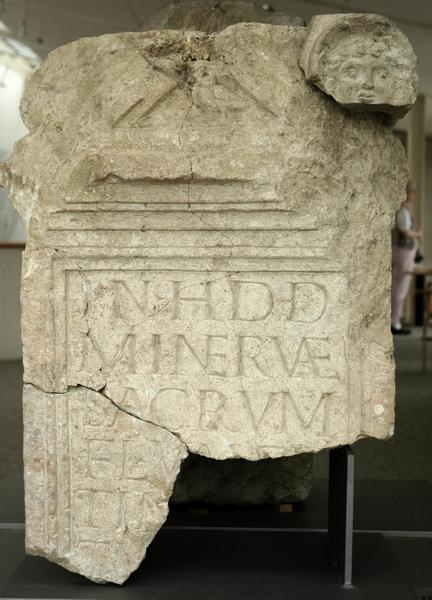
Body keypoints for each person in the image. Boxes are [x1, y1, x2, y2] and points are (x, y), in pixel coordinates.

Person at [391, 181, 422, 334]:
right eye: (411, 191)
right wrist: (418, 234)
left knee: (401, 287)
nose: (413, 194)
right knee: (400, 288)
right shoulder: (402, 211)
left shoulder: (406, 210)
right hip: (403, 252)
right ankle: (394, 322)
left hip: (406, 252)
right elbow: (404, 231)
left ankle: (397, 320)